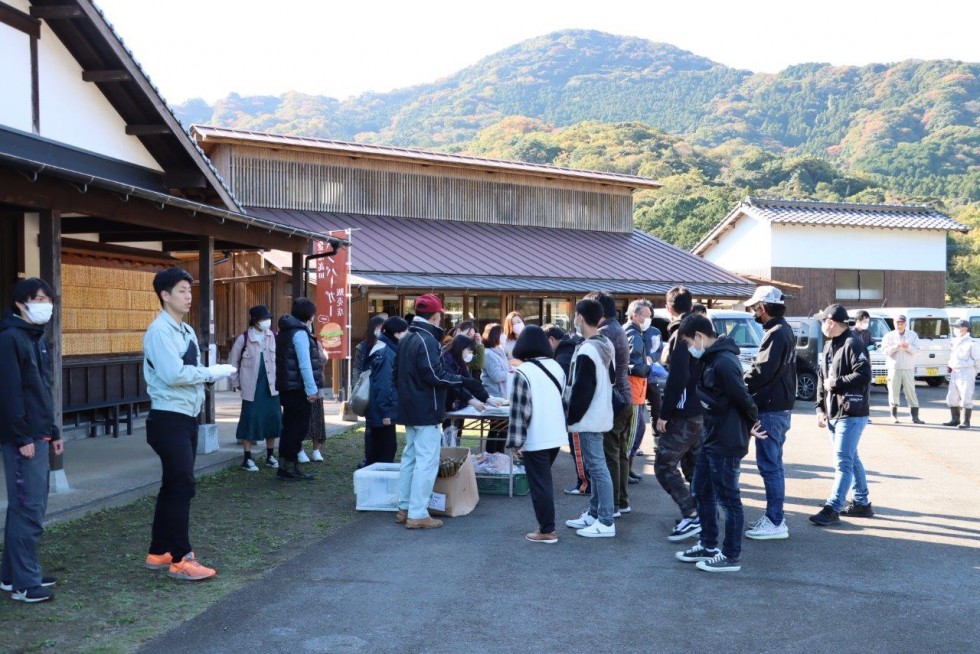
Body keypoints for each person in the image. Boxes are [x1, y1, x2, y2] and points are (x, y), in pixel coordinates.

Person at [142, 267, 236, 581]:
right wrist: (211, 373)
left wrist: (207, 373)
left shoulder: (186, 330)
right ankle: (181, 558)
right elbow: (173, 374)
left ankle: (160, 552)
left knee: (174, 484)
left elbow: (189, 369)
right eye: (181, 290)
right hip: (168, 418)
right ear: (164, 295)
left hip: (185, 416)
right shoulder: (159, 331)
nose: (188, 295)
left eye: (189, 290)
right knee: (182, 485)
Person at [673, 314, 763, 573]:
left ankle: (731, 555)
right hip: (712, 436)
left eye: (690, 341)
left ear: (700, 336)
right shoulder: (712, 359)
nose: (690, 347)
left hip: (726, 439)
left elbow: (743, 397)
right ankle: (709, 544)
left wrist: (751, 425)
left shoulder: (723, 362)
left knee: (728, 499)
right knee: (701, 491)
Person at [395, 295, 481, 529]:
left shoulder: (407, 338)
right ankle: (417, 513)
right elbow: (435, 375)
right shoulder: (427, 340)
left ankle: (404, 508)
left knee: (410, 459)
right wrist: (462, 382)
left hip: (409, 408)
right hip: (426, 408)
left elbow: (399, 375)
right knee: (426, 461)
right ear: (436, 315)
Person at [0, 278, 62, 602]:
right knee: (29, 508)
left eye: (48, 299)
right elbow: (9, 393)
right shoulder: (10, 338)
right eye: (38, 299)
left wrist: (54, 431)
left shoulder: (35, 338)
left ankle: (12, 576)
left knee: (23, 507)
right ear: (21, 303)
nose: (45, 304)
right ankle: (26, 584)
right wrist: (22, 434)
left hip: (39, 433)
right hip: (23, 439)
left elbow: (41, 389)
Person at [810, 304, 875, 525]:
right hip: (834, 412)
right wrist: (820, 408)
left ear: (831, 322)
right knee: (850, 458)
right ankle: (862, 503)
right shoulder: (830, 345)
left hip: (852, 412)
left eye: (822, 321)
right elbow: (822, 377)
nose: (821, 325)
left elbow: (864, 375)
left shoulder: (853, 344)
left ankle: (833, 507)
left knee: (843, 462)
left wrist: (835, 383)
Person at [743, 286, 796, 540]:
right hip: (778, 407)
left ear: (763, 307)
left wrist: (740, 380)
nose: (753, 311)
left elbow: (762, 371)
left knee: (770, 465)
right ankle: (775, 517)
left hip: (771, 409)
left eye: (755, 307)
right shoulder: (783, 330)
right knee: (773, 464)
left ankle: (775, 520)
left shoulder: (776, 333)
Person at [506, 325, 568, 543]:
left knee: (540, 484)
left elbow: (519, 411)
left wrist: (515, 443)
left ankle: (547, 530)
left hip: (536, 436)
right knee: (544, 481)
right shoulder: (557, 367)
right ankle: (545, 527)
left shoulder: (523, 372)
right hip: (556, 433)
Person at [563, 299, 617, 538]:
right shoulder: (605, 343)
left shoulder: (587, 349)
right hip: (602, 412)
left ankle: (605, 520)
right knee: (597, 467)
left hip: (589, 416)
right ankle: (595, 513)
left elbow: (582, 390)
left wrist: (571, 417)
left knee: (597, 467)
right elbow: (612, 378)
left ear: (580, 318)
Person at [655, 286, 704, 541]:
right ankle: (702, 515)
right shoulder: (700, 330)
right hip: (702, 410)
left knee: (664, 466)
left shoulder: (680, 334)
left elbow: (677, 378)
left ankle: (693, 514)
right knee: (694, 466)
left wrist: (664, 414)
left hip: (685, 412)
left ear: (669, 306)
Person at [586, 291, 633, 517]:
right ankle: (621, 500)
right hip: (626, 396)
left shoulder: (604, 333)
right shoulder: (618, 329)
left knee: (609, 454)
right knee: (619, 452)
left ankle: (612, 504)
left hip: (613, 399)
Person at [275, 297, 323, 481]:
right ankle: (289, 467)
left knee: (289, 428)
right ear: (309, 315)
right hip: (298, 389)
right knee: (297, 430)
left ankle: (285, 466)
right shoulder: (300, 333)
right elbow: (304, 364)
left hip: (287, 387)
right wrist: (311, 390)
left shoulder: (285, 331)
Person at [228, 305, 281, 472]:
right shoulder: (244, 339)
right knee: (249, 419)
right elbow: (232, 363)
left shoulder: (274, 336)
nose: (267, 322)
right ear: (255, 321)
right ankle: (247, 458)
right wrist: (237, 383)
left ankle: (270, 455)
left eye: (268, 318)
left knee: (273, 419)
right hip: (251, 388)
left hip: (272, 386)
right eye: (263, 319)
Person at [547, 325, 590, 496]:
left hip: (575, 408)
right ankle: (586, 482)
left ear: (551, 339)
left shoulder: (564, 355)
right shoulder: (573, 347)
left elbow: (561, 383)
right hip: (584, 407)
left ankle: (585, 484)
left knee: (578, 447)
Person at [365, 317, 409, 464]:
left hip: (379, 409)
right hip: (382, 411)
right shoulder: (387, 353)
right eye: (405, 332)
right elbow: (383, 384)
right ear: (396, 333)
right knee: (385, 451)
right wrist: (386, 412)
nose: (406, 335)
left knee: (379, 449)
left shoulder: (383, 347)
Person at [352, 315, 387, 468]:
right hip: (367, 390)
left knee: (384, 426)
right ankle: (369, 457)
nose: (380, 331)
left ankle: (381, 456)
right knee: (370, 426)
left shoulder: (386, 346)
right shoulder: (363, 346)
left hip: (382, 389)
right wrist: (356, 388)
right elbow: (357, 369)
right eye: (378, 327)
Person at [624, 299, 652, 483]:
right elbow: (636, 367)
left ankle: (628, 469)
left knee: (635, 431)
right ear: (635, 316)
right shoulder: (633, 335)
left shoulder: (632, 333)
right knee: (633, 433)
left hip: (637, 391)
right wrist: (649, 365)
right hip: (633, 391)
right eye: (646, 316)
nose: (649, 320)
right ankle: (625, 470)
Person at [881, 314, 924, 424]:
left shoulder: (912, 335)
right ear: (894, 324)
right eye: (897, 323)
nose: (899, 325)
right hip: (894, 367)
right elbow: (884, 351)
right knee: (893, 391)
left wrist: (907, 347)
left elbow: (918, 350)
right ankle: (894, 415)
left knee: (911, 392)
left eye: (901, 323)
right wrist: (896, 346)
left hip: (908, 367)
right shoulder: (889, 336)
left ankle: (915, 416)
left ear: (905, 324)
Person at [943, 318, 980, 428]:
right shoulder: (954, 341)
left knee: (965, 396)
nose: (955, 329)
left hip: (966, 371)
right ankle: (955, 419)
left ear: (964, 328)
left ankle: (966, 421)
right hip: (955, 370)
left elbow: (978, 360)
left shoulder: (972, 343)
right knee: (952, 397)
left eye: (957, 327)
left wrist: (973, 372)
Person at [480, 323, 511, 454]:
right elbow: (497, 376)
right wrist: (510, 373)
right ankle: (492, 455)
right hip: (494, 396)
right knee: (496, 428)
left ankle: (499, 455)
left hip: (503, 395)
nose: (504, 336)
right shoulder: (488, 354)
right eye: (502, 333)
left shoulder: (500, 351)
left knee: (503, 428)